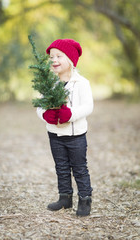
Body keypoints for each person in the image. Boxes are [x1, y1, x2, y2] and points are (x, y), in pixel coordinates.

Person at [37, 38, 94, 216]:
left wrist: (71, 114)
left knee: (79, 167)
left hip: (76, 135)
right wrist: (45, 115)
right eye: (51, 57)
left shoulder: (81, 83)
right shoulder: (49, 84)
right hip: (55, 134)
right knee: (61, 167)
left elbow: (87, 106)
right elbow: (39, 106)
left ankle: (85, 199)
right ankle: (65, 197)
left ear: (70, 59)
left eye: (58, 56)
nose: (54, 60)